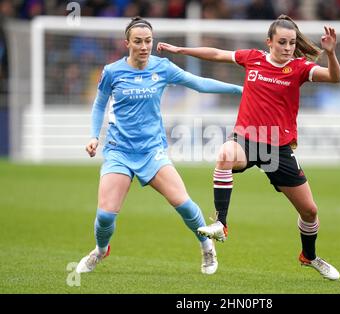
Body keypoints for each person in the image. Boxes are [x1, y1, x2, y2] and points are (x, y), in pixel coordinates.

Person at [157, 15, 340, 280]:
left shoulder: (300, 68)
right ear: (269, 42)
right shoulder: (253, 58)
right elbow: (217, 54)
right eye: (282, 42)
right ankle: (221, 223)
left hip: (277, 149)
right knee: (224, 155)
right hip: (248, 138)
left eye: (291, 43)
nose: (288, 47)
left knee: (310, 211)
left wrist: (331, 54)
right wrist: (180, 50)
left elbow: (334, 78)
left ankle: (309, 256)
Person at [75, 17, 243, 275]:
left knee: (184, 205)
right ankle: (100, 250)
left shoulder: (162, 67)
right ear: (127, 43)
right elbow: (99, 104)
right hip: (119, 151)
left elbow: (198, 83)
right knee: (106, 216)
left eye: (148, 41)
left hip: (152, 152)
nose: (144, 46)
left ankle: (207, 246)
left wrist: (240, 90)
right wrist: (93, 136)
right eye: (138, 41)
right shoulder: (112, 71)